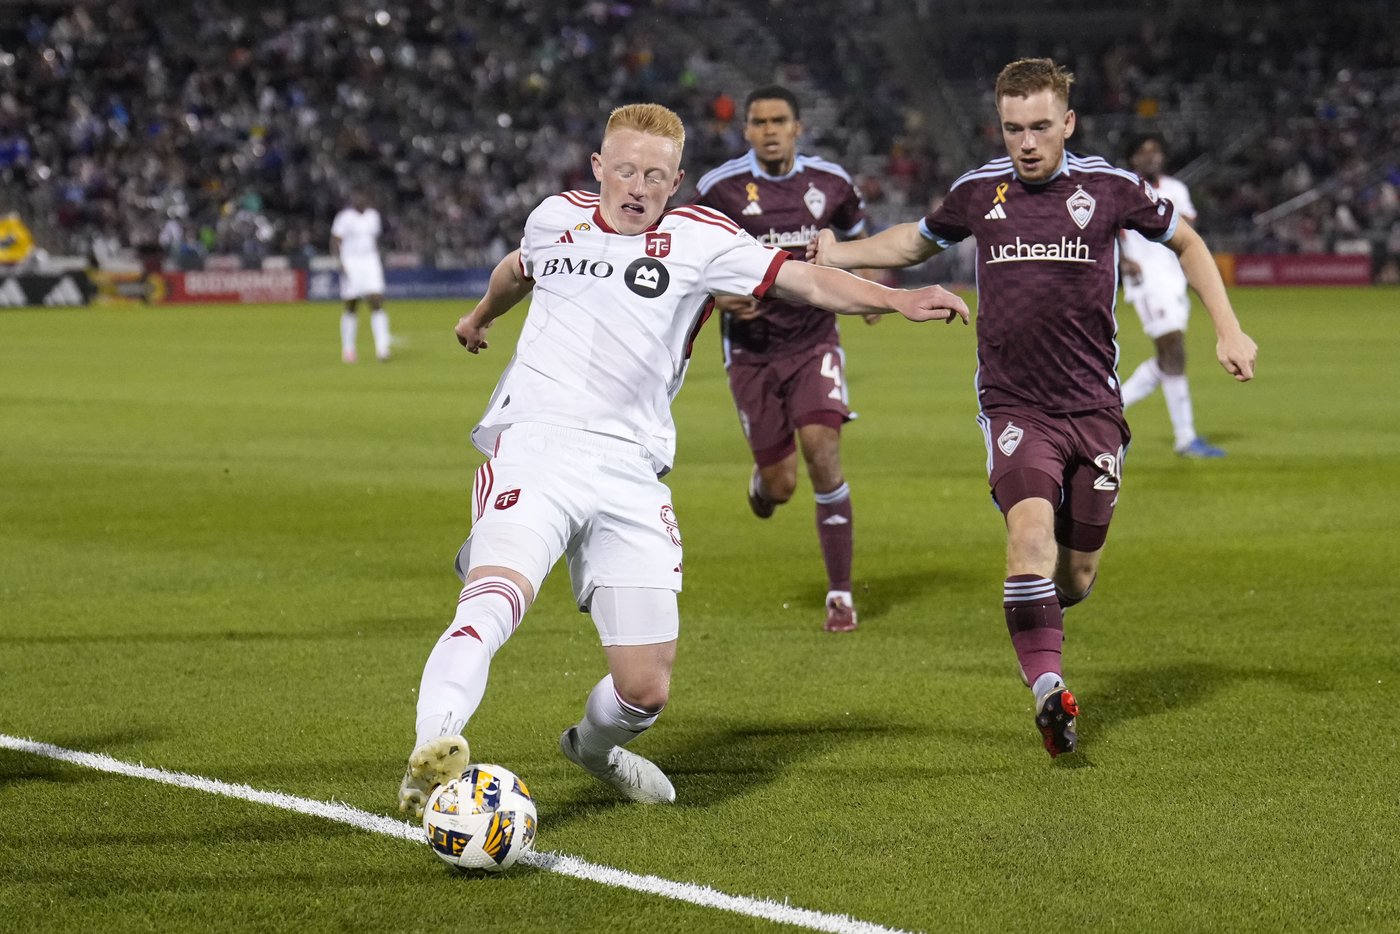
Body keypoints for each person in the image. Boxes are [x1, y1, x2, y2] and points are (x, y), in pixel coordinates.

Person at [397, 102, 969, 816]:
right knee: (494, 597)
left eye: (656, 177)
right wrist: (479, 316)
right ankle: (435, 750)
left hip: (633, 468)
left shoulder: (704, 237)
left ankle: (594, 749)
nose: (638, 186)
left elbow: (808, 281)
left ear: (677, 183)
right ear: (600, 168)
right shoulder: (554, 216)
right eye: (627, 170)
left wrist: (899, 298)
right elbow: (520, 268)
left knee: (644, 688)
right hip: (535, 445)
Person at [811, 59, 1256, 759]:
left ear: (1067, 124)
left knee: (1074, 577)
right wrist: (840, 252)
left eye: (1041, 127)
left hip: (1095, 408)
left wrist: (1228, 327)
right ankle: (1050, 692)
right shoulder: (979, 191)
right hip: (1017, 406)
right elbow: (914, 241)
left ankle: (1043, 613)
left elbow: (1189, 243)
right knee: (1026, 540)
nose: (1026, 141)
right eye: (1014, 128)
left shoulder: (1109, 188)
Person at [693, 85, 875, 633]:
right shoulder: (717, 190)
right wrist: (718, 295)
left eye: (779, 120)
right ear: (745, 130)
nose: (769, 129)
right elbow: (689, 262)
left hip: (814, 338)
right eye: (758, 121)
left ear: (798, 127)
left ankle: (840, 595)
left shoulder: (831, 182)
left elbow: (855, 237)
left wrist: (864, 286)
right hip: (750, 352)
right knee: (782, 485)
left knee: (823, 450)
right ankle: (763, 485)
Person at [1117, 134, 1224, 458]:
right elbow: (1106, 230)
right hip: (1147, 283)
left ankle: (1105, 410)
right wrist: (1122, 259)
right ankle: (1185, 437)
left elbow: (1188, 232)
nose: (1152, 158)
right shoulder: (1122, 189)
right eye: (1144, 152)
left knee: (1169, 359)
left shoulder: (1176, 190)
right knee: (1174, 352)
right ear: (1133, 159)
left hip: (1174, 282)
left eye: (1157, 152)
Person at [330, 190, 391, 363]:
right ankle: (348, 349)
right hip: (351, 261)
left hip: (370, 261)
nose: (360, 200)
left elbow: (375, 239)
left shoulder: (373, 216)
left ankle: (382, 348)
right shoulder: (345, 217)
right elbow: (335, 239)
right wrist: (339, 261)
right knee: (352, 304)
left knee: (377, 300)